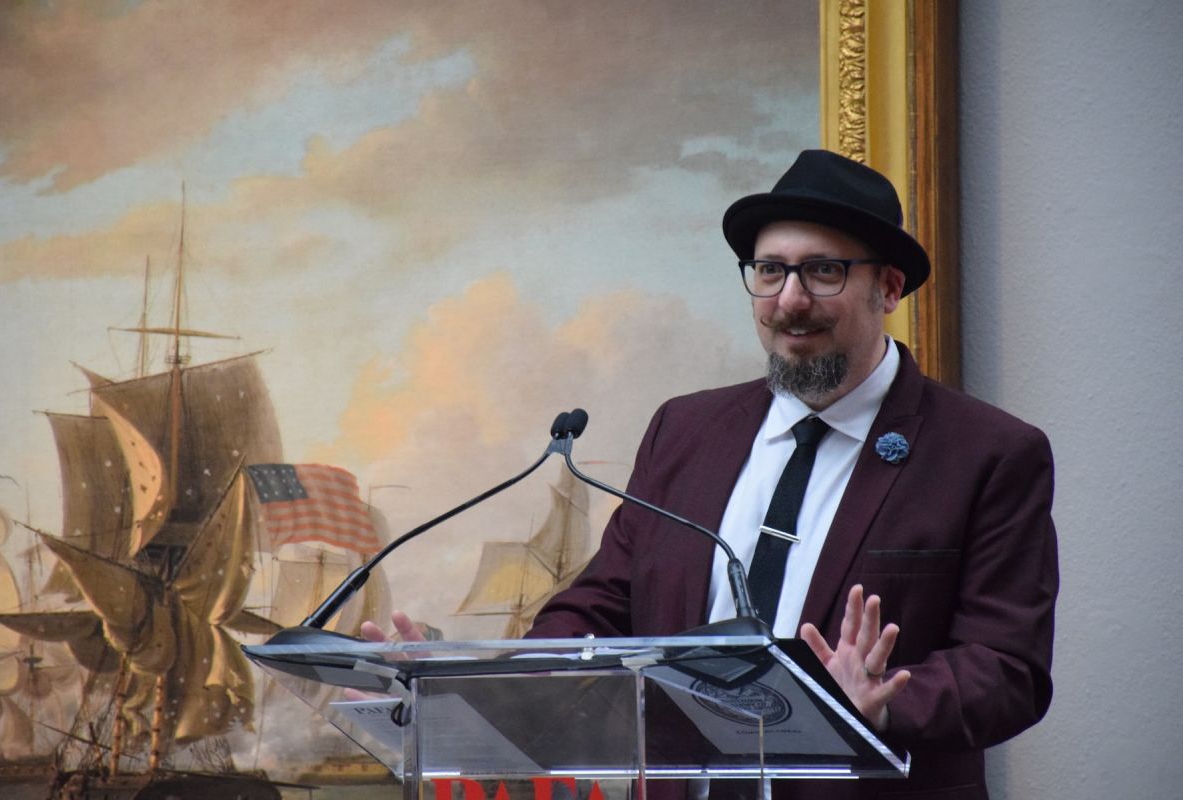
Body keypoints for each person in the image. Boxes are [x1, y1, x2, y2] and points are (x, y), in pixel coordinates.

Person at [368, 150, 1058, 800]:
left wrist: (884, 699)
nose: (789, 300)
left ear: (889, 286)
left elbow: (1008, 670)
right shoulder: (688, 430)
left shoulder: (987, 453)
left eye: (823, 271)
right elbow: (605, 607)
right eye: (769, 271)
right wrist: (461, 678)